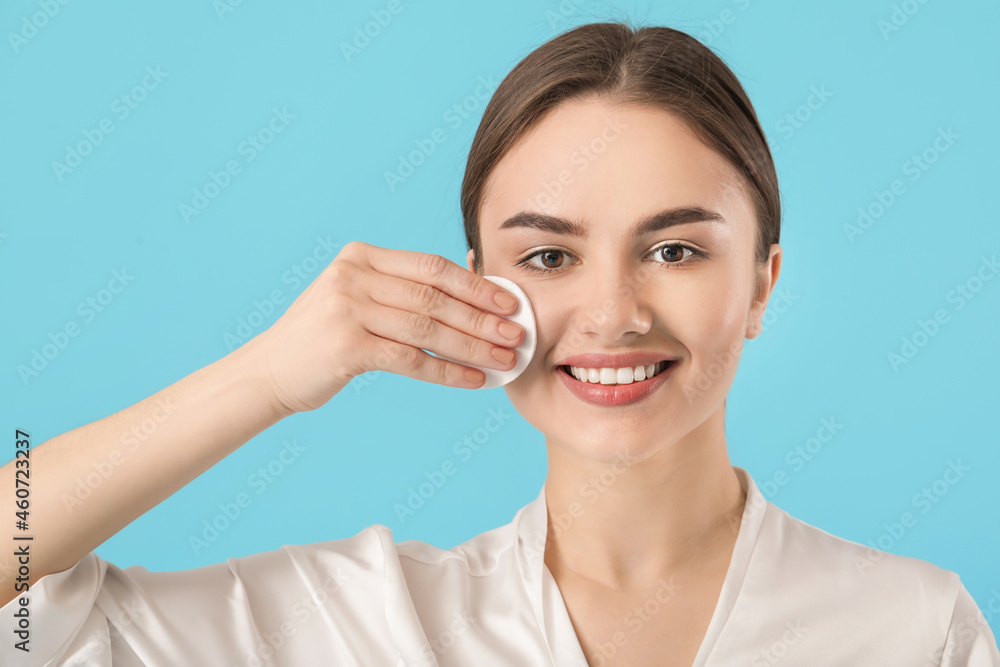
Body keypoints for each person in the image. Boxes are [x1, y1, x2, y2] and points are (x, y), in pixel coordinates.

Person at [2, 20, 998, 667]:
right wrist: (266, 376)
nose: (613, 316)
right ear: (478, 279)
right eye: (550, 258)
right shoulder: (356, 623)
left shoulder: (911, 628)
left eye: (674, 247)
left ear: (761, 286)